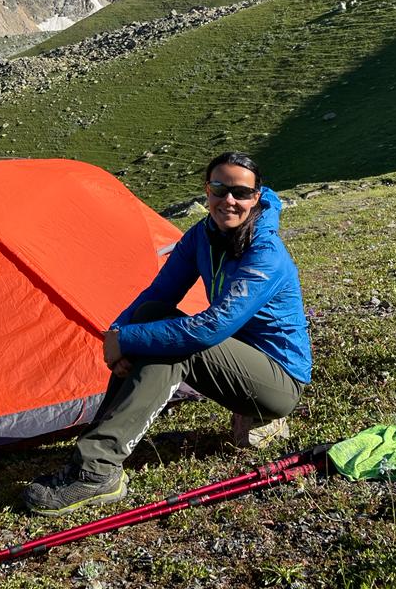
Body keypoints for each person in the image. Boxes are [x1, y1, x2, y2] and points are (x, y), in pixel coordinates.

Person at [22, 151, 312, 515]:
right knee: (152, 315)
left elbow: (210, 330)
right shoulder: (202, 236)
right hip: (234, 359)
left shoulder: (265, 252)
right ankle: (97, 447)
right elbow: (159, 295)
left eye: (240, 192)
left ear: (256, 197)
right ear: (207, 191)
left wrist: (127, 341)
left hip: (278, 381)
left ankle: (98, 471)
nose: (229, 201)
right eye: (219, 189)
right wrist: (121, 331)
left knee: (181, 343)